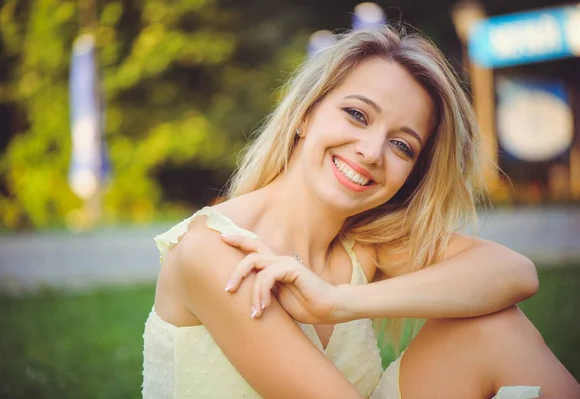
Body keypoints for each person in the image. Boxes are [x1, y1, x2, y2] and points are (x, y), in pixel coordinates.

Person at [142, 26, 580, 398]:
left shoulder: (364, 246)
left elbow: (516, 274)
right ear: (305, 114)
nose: (372, 152)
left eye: (401, 145)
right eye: (356, 115)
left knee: (494, 328)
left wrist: (338, 301)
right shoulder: (213, 252)